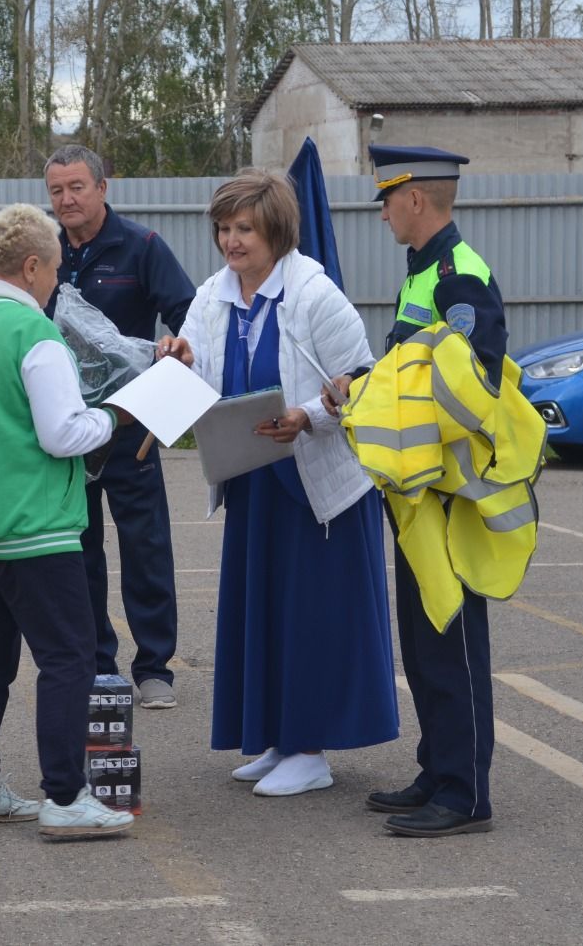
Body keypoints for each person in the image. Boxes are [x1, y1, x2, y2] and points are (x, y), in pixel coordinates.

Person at [167, 169, 398, 797]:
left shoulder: (316, 295)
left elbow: (364, 383)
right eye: (223, 228)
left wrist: (311, 416)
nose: (231, 241)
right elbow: (201, 374)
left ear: (276, 230)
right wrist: (178, 360)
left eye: (244, 228)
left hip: (317, 488)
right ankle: (275, 737)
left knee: (313, 618)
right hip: (252, 480)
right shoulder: (213, 294)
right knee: (262, 613)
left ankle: (310, 749)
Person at [0, 202, 146, 840]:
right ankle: (64, 796)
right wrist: (120, 413)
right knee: (67, 658)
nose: (58, 283)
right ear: (32, 268)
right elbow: (62, 434)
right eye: (54, 270)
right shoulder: (35, 335)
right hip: (36, 527)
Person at [323, 144, 507, 836]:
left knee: (453, 641)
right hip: (417, 493)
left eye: (386, 198)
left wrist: (378, 396)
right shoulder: (425, 273)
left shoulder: (459, 277)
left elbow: (471, 389)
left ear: (416, 200)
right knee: (426, 637)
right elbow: (411, 378)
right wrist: (363, 391)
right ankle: (439, 767)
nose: (381, 213)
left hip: (451, 496)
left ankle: (465, 793)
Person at [43, 144, 195, 710]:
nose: (67, 200)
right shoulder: (46, 252)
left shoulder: (142, 247)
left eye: (77, 187)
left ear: (102, 188)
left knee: (145, 547)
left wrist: (174, 352)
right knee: (79, 551)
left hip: (132, 427)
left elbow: (188, 315)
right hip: (71, 430)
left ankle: (155, 668)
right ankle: (99, 665)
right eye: (57, 190)